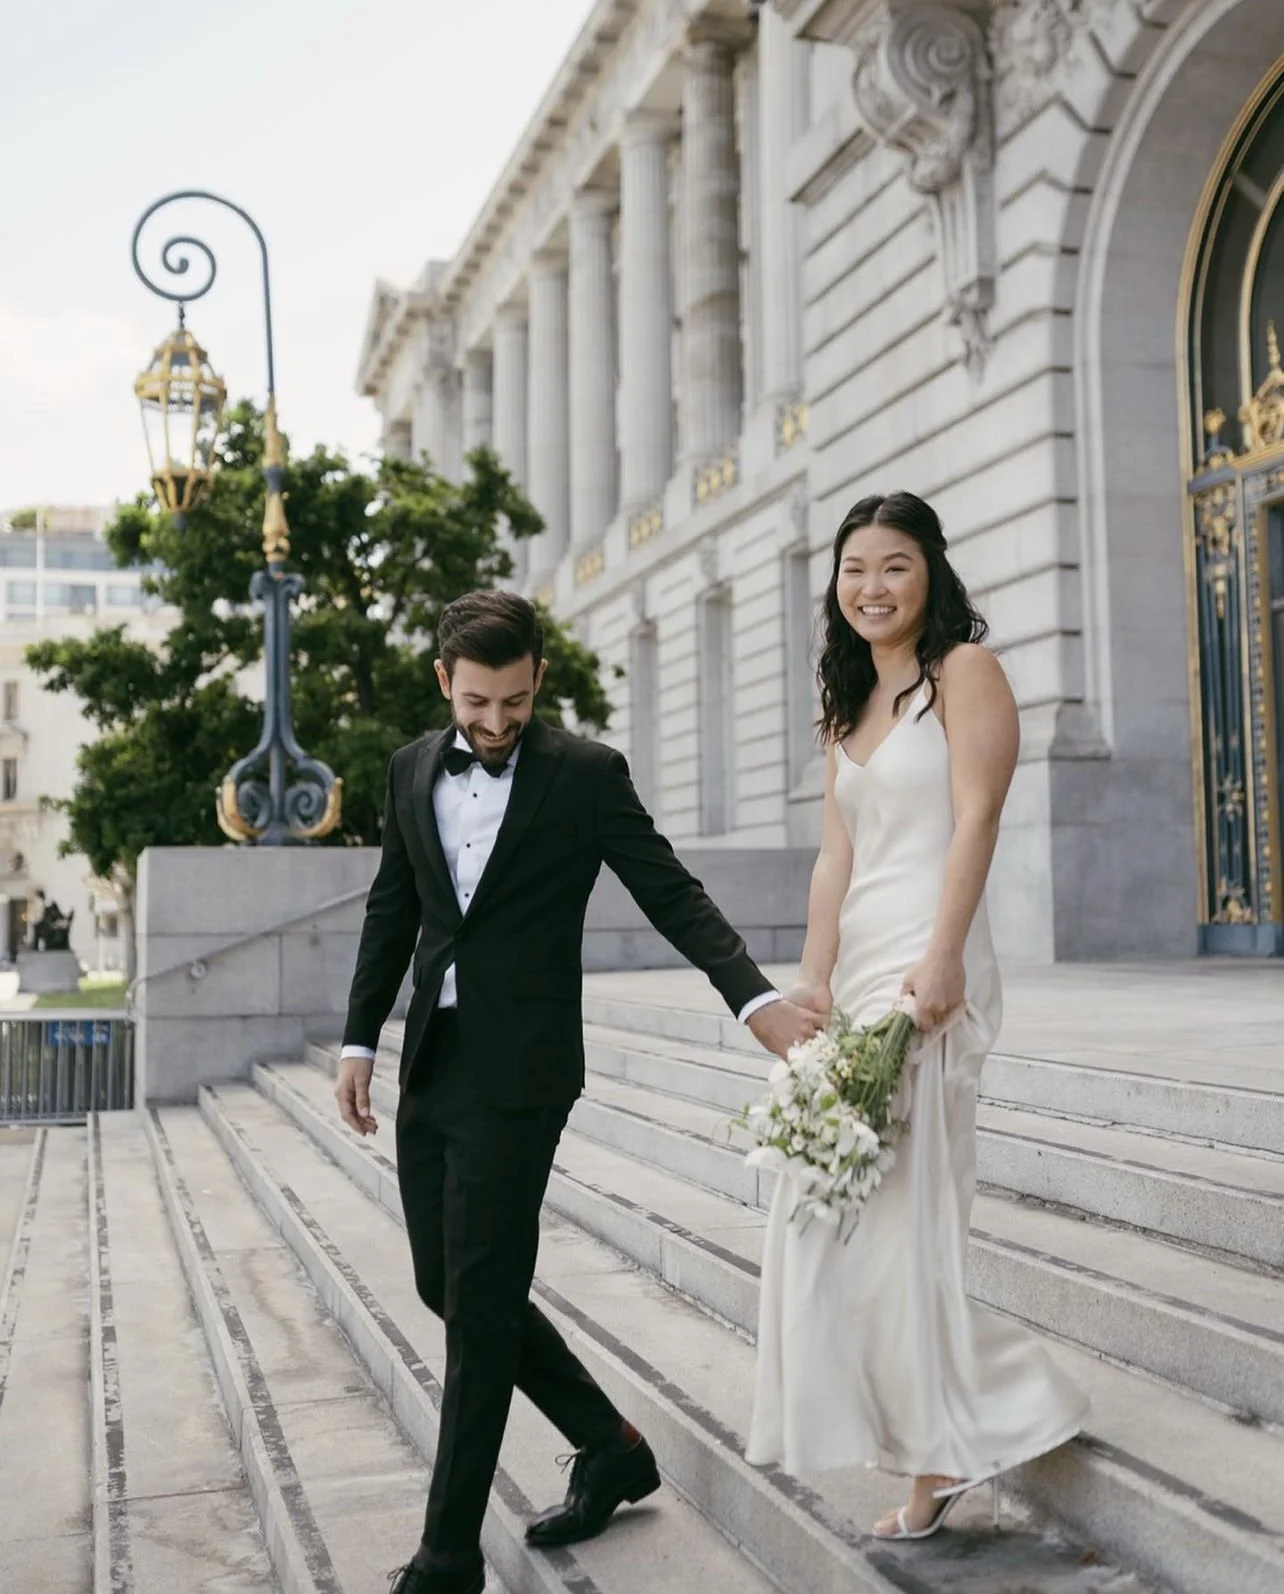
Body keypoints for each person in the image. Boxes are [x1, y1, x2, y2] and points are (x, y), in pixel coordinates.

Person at [336, 589, 820, 1594]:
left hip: (523, 1074)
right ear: (444, 680)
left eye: (515, 702)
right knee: (445, 1284)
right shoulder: (411, 768)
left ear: (538, 680)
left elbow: (670, 890)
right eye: (477, 703)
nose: (496, 723)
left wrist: (755, 1001)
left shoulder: (587, 775)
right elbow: (393, 908)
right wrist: (357, 1041)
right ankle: (611, 1447)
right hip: (435, 1057)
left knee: (478, 1313)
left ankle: (447, 1558)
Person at [746, 492, 1088, 1539]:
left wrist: (945, 954)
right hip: (856, 980)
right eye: (855, 569)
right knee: (829, 1217)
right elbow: (835, 857)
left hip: (927, 971)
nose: (873, 587)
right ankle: (936, 1440)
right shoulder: (847, 705)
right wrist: (812, 980)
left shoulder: (965, 673)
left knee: (905, 1226)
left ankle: (952, 1448)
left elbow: (978, 815)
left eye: (894, 565)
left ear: (931, 570)